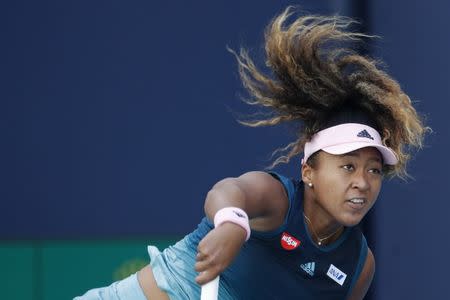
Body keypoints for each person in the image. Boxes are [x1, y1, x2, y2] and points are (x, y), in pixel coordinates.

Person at [75, 6, 428, 300]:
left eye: (373, 170)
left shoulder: (358, 266)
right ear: (309, 172)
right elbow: (229, 191)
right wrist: (231, 224)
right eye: (347, 166)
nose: (362, 183)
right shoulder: (274, 200)